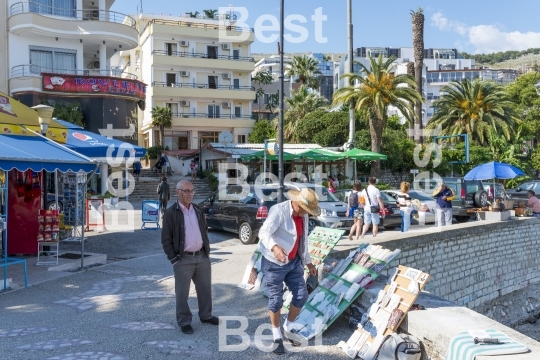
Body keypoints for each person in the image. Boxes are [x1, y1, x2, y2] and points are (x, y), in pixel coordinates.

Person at [259, 187, 319, 355]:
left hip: (294, 262)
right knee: (276, 299)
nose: (307, 213)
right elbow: (263, 232)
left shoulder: (303, 215)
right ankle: (276, 336)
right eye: (306, 209)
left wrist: (309, 263)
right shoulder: (279, 211)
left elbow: (303, 240)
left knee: (301, 295)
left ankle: (287, 327)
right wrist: (274, 247)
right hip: (273, 263)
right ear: (298, 203)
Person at [161, 180, 218, 335]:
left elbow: (204, 230)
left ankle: (206, 315)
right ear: (177, 192)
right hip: (183, 259)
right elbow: (166, 238)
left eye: (192, 191)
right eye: (186, 191)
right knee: (182, 293)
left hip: (201, 256)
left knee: (205, 289)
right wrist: (173, 258)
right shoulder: (171, 212)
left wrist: (206, 251)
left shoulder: (198, 210)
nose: (190, 194)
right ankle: (184, 321)